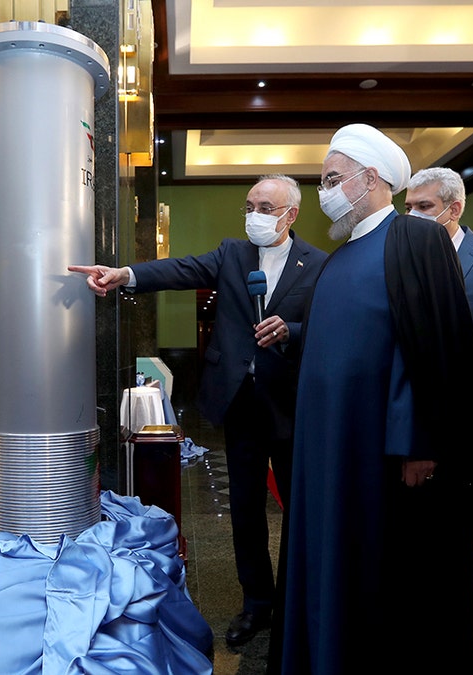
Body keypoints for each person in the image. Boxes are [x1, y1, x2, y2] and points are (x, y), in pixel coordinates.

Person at [68, 174, 327, 648]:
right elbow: (181, 269)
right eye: (250, 205)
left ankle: (296, 600)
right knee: (245, 508)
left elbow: (328, 323)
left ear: (291, 215)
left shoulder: (320, 264)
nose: (255, 215)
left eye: (266, 207)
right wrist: (126, 275)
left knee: (299, 508)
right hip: (241, 404)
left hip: (292, 403)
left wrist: (290, 329)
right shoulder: (233, 253)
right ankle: (257, 604)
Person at [272, 124, 473, 674]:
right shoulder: (339, 256)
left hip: (378, 454)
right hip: (326, 447)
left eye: (332, 178)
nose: (324, 191)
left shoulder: (415, 239)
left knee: (375, 573)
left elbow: (435, 346)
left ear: (371, 179)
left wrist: (420, 443)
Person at [404, 166, 473, 356]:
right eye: (408, 208)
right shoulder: (399, 261)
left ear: (454, 210)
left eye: (424, 207)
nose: (412, 216)